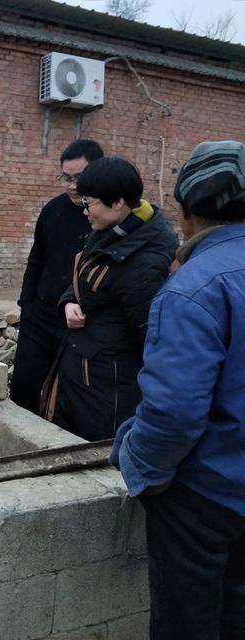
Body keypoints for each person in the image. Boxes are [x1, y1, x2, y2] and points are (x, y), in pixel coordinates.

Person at [110, 140, 245, 640]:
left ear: (186, 213)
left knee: (186, 624)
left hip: (205, 498)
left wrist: (142, 468)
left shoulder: (194, 288)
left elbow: (174, 413)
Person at [47, 156, 178, 440]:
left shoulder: (142, 262)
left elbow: (154, 341)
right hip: (83, 373)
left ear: (117, 202)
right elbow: (86, 279)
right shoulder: (111, 233)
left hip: (108, 390)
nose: (85, 212)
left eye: (89, 203)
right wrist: (69, 302)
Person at [10, 139, 104, 414]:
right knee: (24, 386)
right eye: (66, 177)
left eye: (79, 178)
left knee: (70, 394)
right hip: (40, 316)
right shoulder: (53, 210)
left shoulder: (107, 218)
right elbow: (37, 257)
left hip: (80, 322)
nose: (72, 185)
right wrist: (26, 304)